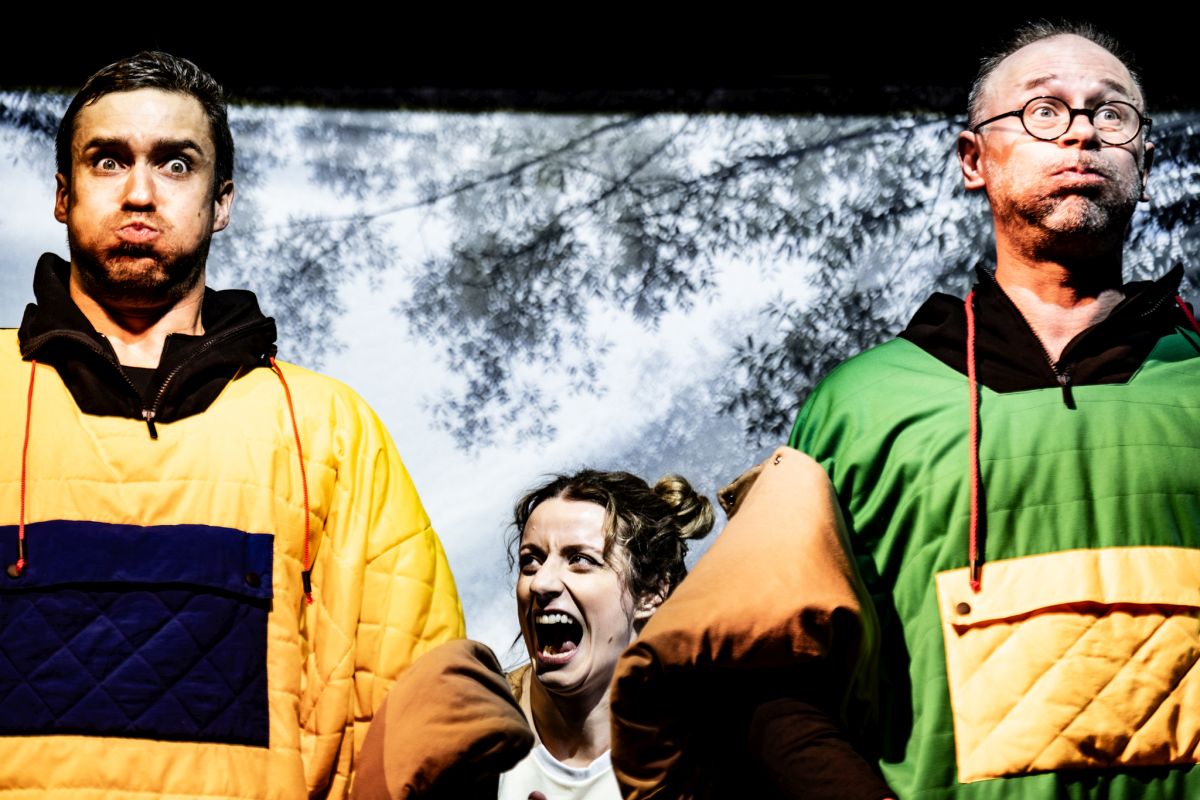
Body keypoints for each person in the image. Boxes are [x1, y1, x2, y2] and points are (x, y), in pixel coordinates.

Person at [0, 51, 464, 799]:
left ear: (221, 202)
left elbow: (406, 712)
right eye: (108, 160)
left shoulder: (329, 430)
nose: (140, 192)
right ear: (63, 194)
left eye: (176, 164)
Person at [787, 21, 1200, 799]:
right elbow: (772, 679)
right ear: (973, 159)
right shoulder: (858, 407)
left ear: (1143, 164)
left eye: (1112, 114)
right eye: (1044, 111)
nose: (1081, 132)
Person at [351, 469, 714, 800]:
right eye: (531, 561)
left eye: (580, 559)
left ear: (651, 591)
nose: (540, 583)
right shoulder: (466, 731)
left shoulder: (704, 746)